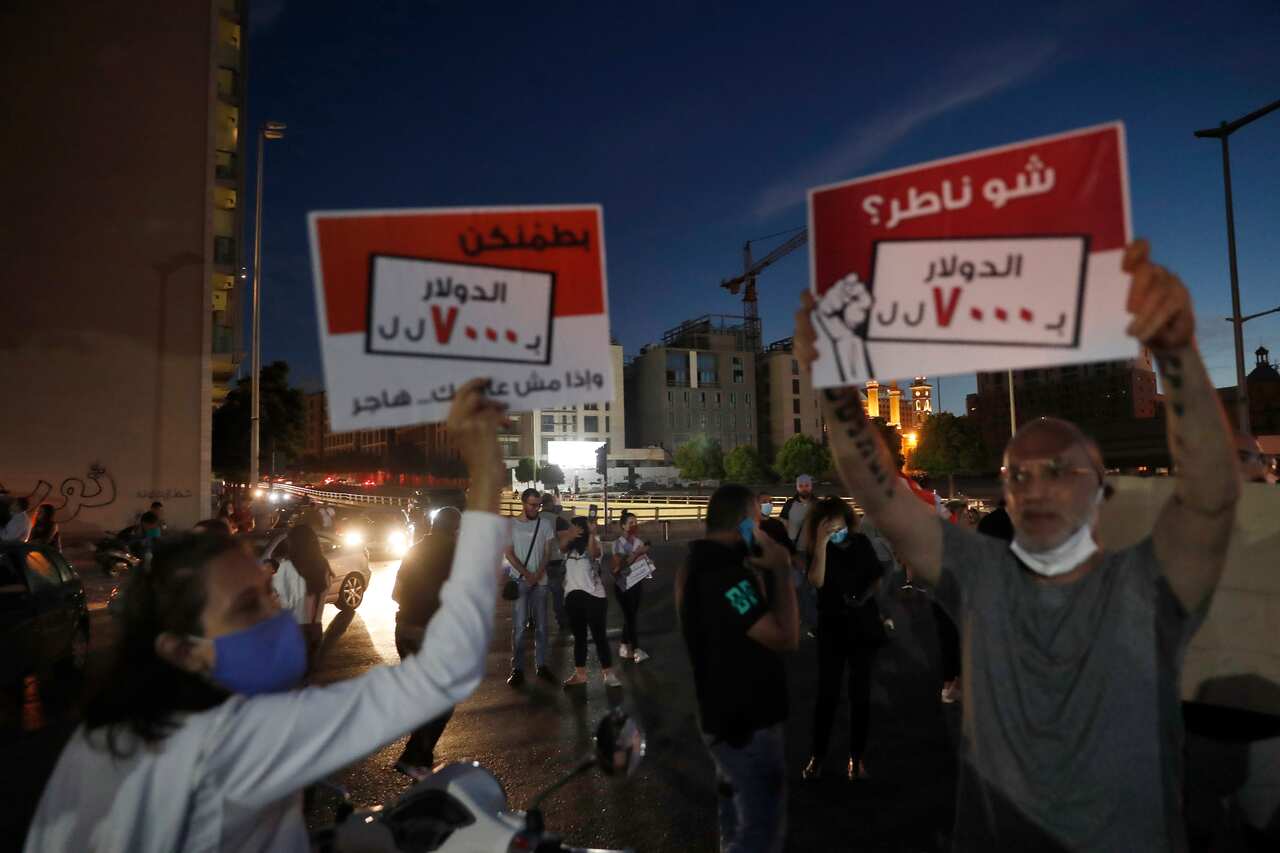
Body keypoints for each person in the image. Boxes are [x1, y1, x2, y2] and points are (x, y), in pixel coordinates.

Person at [793, 240, 1240, 850]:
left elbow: (1211, 494)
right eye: (1018, 476)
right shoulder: (982, 576)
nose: (1034, 488)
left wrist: (1179, 352)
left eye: (1059, 471)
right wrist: (835, 388)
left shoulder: (1148, 584)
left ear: (1100, 489)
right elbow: (885, 499)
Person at [23, 377, 509, 853]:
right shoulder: (236, 740)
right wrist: (486, 472)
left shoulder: (104, 739)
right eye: (249, 605)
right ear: (181, 649)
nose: (275, 607)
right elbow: (445, 669)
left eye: (266, 590)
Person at [676, 484, 799, 853]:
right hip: (746, 724)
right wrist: (781, 569)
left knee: (733, 826)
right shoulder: (723, 574)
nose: (761, 530)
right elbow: (785, 636)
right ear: (745, 524)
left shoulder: (695, 563)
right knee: (757, 834)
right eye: (758, 522)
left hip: (721, 717)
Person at [800, 497, 885, 781]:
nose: (837, 532)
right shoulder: (819, 549)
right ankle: (817, 755)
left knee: (860, 694)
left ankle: (856, 757)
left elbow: (876, 578)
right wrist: (822, 544)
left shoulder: (861, 544)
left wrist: (863, 598)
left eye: (839, 527)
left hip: (863, 626)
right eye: (829, 529)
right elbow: (816, 581)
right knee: (827, 694)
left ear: (848, 522)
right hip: (832, 627)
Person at [390, 505, 463, 779]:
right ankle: (415, 758)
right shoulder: (454, 554)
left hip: (404, 629)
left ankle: (418, 757)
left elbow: (396, 594)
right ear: (456, 529)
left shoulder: (414, 549)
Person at [505, 487, 575, 685]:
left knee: (542, 627)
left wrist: (538, 574)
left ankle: (541, 665)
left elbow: (546, 552)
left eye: (538, 505)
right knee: (519, 628)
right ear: (523, 503)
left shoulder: (544, 524)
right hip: (520, 580)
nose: (536, 508)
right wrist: (528, 575)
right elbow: (509, 553)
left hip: (541, 581)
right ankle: (517, 669)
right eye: (532, 505)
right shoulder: (511, 525)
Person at [561, 516, 622, 689]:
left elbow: (593, 554)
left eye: (575, 527)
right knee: (579, 637)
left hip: (594, 597)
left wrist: (591, 534)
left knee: (599, 636)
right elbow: (561, 546)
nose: (572, 529)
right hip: (572, 596)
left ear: (583, 529)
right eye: (571, 527)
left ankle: (608, 674)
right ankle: (580, 674)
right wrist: (569, 534)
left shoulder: (595, 542)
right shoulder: (569, 549)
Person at [270, 525, 333, 670]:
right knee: (309, 677)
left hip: (294, 630)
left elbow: (282, 603)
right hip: (316, 628)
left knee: (291, 680)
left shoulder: (287, 567)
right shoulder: (323, 566)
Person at [611, 511, 653, 663]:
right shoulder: (617, 544)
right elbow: (620, 566)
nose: (634, 526)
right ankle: (636, 649)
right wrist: (637, 553)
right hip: (623, 585)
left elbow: (644, 562)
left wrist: (647, 565)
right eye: (631, 523)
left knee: (631, 616)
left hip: (636, 584)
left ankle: (624, 646)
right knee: (630, 617)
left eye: (636, 523)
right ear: (623, 526)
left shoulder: (639, 542)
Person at [541, 492, 572, 632]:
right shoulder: (557, 520)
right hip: (554, 560)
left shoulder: (534, 518)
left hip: (536, 562)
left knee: (538, 594)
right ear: (550, 504)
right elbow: (566, 541)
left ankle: (533, 620)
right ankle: (561, 620)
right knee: (557, 594)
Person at [779, 474, 816, 544]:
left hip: (812, 545)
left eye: (807, 485)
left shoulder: (818, 504)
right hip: (793, 544)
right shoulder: (789, 503)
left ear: (811, 487)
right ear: (797, 487)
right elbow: (783, 522)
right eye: (801, 486)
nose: (804, 489)